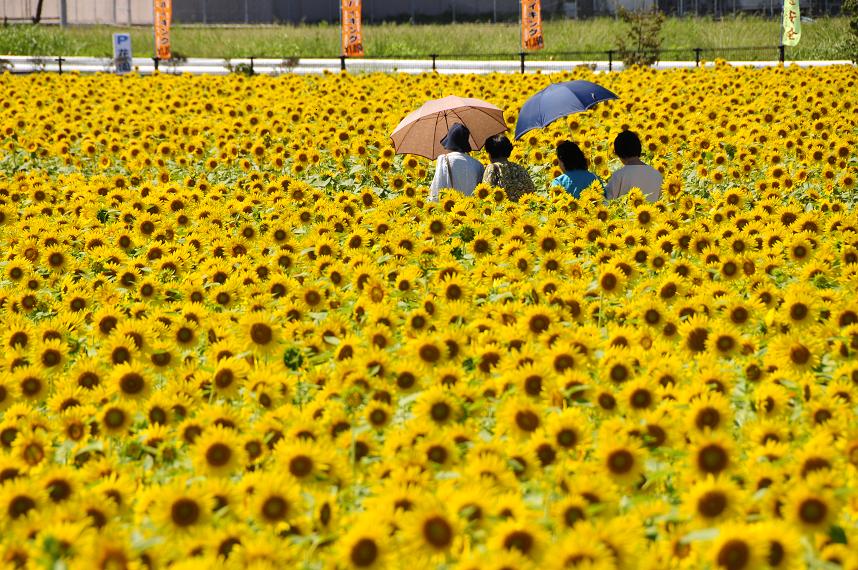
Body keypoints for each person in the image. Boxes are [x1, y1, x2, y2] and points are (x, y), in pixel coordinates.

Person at [429, 123, 484, 202]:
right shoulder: (478, 165)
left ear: (449, 143)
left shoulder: (443, 160)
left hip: (448, 209)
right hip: (472, 210)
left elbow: (436, 190)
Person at [605, 130, 663, 202]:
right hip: (653, 212)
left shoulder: (619, 175)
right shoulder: (656, 174)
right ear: (639, 148)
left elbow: (607, 201)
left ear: (618, 152)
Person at [481, 134, 536, 202]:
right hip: (523, 209)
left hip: (503, 210)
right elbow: (531, 190)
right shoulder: (519, 167)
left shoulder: (492, 168)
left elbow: (486, 192)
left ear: (490, 153)